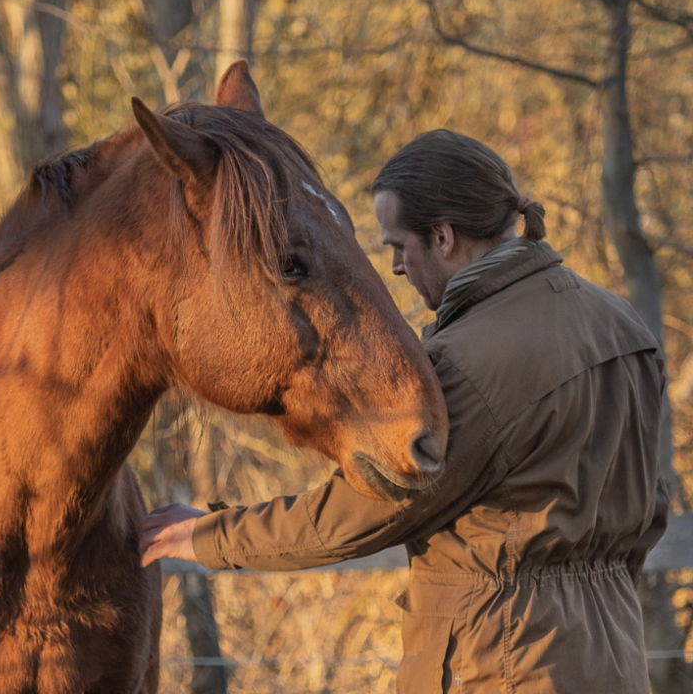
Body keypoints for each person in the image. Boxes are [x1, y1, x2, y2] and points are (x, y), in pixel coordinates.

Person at [139, 129, 669, 693]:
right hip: (615, 655)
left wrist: (209, 536)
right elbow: (651, 505)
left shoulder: (467, 362)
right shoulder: (623, 325)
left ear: (442, 237)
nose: (393, 268)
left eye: (398, 246)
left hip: (500, 666)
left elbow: (362, 513)